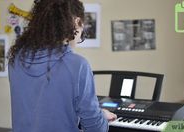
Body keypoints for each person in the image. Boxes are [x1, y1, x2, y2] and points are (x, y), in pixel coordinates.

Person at [8, 0, 117, 132]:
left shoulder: (17, 59)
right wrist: (102, 116)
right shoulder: (78, 65)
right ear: (77, 22)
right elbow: (95, 128)